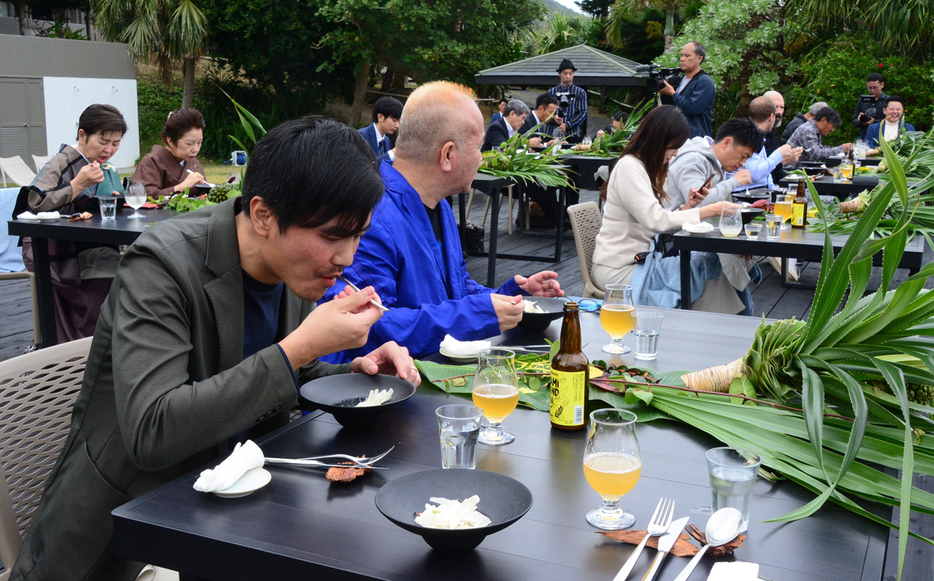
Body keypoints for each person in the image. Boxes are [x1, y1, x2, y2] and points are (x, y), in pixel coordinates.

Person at [9, 117, 418, 581]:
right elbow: (153, 430)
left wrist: (358, 373)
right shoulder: (161, 264)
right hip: (122, 540)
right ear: (263, 215)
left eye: (358, 234)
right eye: (332, 235)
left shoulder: (289, 268)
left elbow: (278, 373)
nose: (347, 256)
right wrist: (299, 348)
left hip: (231, 519)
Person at [320, 81, 564, 361]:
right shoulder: (372, 217)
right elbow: (370, 326)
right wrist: (480, 313)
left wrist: (509, 296)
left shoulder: (439, 204)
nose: (482, 159)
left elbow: (454, 288)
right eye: (479, 148)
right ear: (448, 155)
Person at [590, 105, 749, 313]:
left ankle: (719, 328)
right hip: (619, 269)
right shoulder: (629, 167)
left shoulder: (641, 167)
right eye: (673, 147)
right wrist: (710, 210)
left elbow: (655, 219)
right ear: (659, 139)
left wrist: (688, 207)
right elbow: (656, 221)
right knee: (706, 273)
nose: (674, 154)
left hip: (639, 261)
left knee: (709, 266)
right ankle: (721, 329)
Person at [14, 104, 127, 341]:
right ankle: (94, 349)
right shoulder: (62, 161)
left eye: (115, 144)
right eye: (103, 141)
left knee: (140, 271)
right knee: (119, 282)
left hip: (91, 246)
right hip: (58, 252)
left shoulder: (102, 165)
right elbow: (34, 201)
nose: (109, 149)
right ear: (82, 135)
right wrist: (78, 185)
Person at [663, 117, 760, 209]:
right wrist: (734, 182)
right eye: (743, 156)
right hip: (677, 225)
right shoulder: (692, 159)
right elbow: (697, 204)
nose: (743, 163)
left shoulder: (719, 163)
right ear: (726, 143)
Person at [131, 108, 207, 198]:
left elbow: (203, 192)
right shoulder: (152, 161)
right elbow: (143, 195)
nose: (195, 149)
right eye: (189, 143)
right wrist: (181, 187)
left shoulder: (195, 164)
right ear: (170, 141)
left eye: (199, 143)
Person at [743, 96, 801, 190]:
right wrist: (779, 154)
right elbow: (755, 175)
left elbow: (767, 176)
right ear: (771, 117)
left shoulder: (762, 135)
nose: (779, 112)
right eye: (776, 107)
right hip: (747, 194)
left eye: (781, 107)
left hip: (763, 190)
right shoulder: (748, 136)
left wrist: (775, 189)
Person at [659, 41, 716, 138]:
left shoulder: (705, 81)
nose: (682, 59)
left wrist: (673, 94)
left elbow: (692, 108)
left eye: (687, 55)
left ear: (699, 59)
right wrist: (664, 91)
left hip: (696, 139)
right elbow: (671, 105)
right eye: (681, 55)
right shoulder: (681, 80)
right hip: (678, 135)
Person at [786, 106, 853, 165]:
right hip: (792, 173)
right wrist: (841, 149)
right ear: (823, 120)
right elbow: (816, 154)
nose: (833, 130)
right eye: (832, 126)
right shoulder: (808, 130)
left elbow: (820, 149)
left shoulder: (815, 130)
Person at [548, 58, 587, 142]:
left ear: (574, 74)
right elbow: (544, 112)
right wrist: (553, 118)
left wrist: (567, 125)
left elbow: (582, 113)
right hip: (551, 134)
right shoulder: (551, 92)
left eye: (570, 73)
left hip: (572, 135)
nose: (568, 76)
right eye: (565, 73)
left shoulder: (580, 92)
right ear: (559, 74)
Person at [852, 72, 889, 141]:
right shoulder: (862, 101)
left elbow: (891, 121)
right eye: (869, 88)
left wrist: (874, 121)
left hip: (882, 138)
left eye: (875, 87)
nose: (872, 90)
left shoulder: (888, 101)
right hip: (864, 137)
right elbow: (854, 122)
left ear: (882, 85)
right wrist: (860, 120)